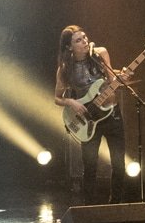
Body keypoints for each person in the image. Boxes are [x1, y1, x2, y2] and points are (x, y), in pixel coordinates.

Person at [55, 25, 128, 203]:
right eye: (78, 40)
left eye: (85, 37)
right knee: (90, 166)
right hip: (88, 121)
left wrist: (121, 78)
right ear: (69, 47)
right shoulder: (65, 69)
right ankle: (89, 207)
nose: (84, 42)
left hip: (111, 114)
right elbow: (57, 98)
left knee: (119, 164)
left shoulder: (100, 54)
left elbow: (111, 79)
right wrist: (71, 102)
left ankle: (115, 204)